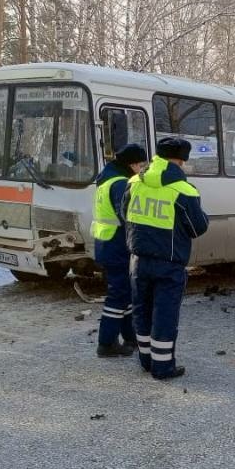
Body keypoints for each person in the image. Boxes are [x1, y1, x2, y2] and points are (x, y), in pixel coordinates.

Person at [125, 137, 209, 380]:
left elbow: (125, 215)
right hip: (169, 263)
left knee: (142, 311)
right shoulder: (183, 190)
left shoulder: (133, 183)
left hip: (138, 260)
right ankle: (162, 367)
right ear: (180, 160)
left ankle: (146, 360)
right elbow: (197, 227)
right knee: (164, 314)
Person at [92, 143, 148, 358]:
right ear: (131, 163)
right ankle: (106, 343)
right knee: (118, 295)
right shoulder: (120, 183)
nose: (142, 169)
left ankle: (129, 337)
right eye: (141, 164)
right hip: (117, 245)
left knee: (124, 294)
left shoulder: (107, 179)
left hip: (106, 244)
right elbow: (128, 217)